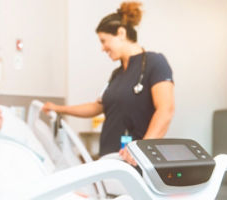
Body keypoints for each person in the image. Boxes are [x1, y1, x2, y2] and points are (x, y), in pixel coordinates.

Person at [43, 1, 174, 166]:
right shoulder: (117, 74)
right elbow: (97, 107)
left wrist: (142, 150)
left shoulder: (155, 63)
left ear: (120, 33)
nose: (102, 48)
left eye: (104, 41)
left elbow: (166, 110)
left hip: (135, 162)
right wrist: (59, 109)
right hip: (109, 158)